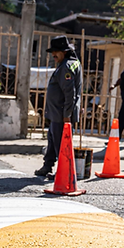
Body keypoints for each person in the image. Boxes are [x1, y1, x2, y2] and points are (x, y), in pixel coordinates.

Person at [35, 36, 82, 179]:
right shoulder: (70, 63)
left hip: (61, 114)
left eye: (56, 52)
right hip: (57, 113)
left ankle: (63, 172)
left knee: (61, 145)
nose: (53, 55)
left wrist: (67, 114)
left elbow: (70, 92)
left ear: (65, 52)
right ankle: (47, 165)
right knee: (52, 140)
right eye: (52, 52)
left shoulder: (66, 66)